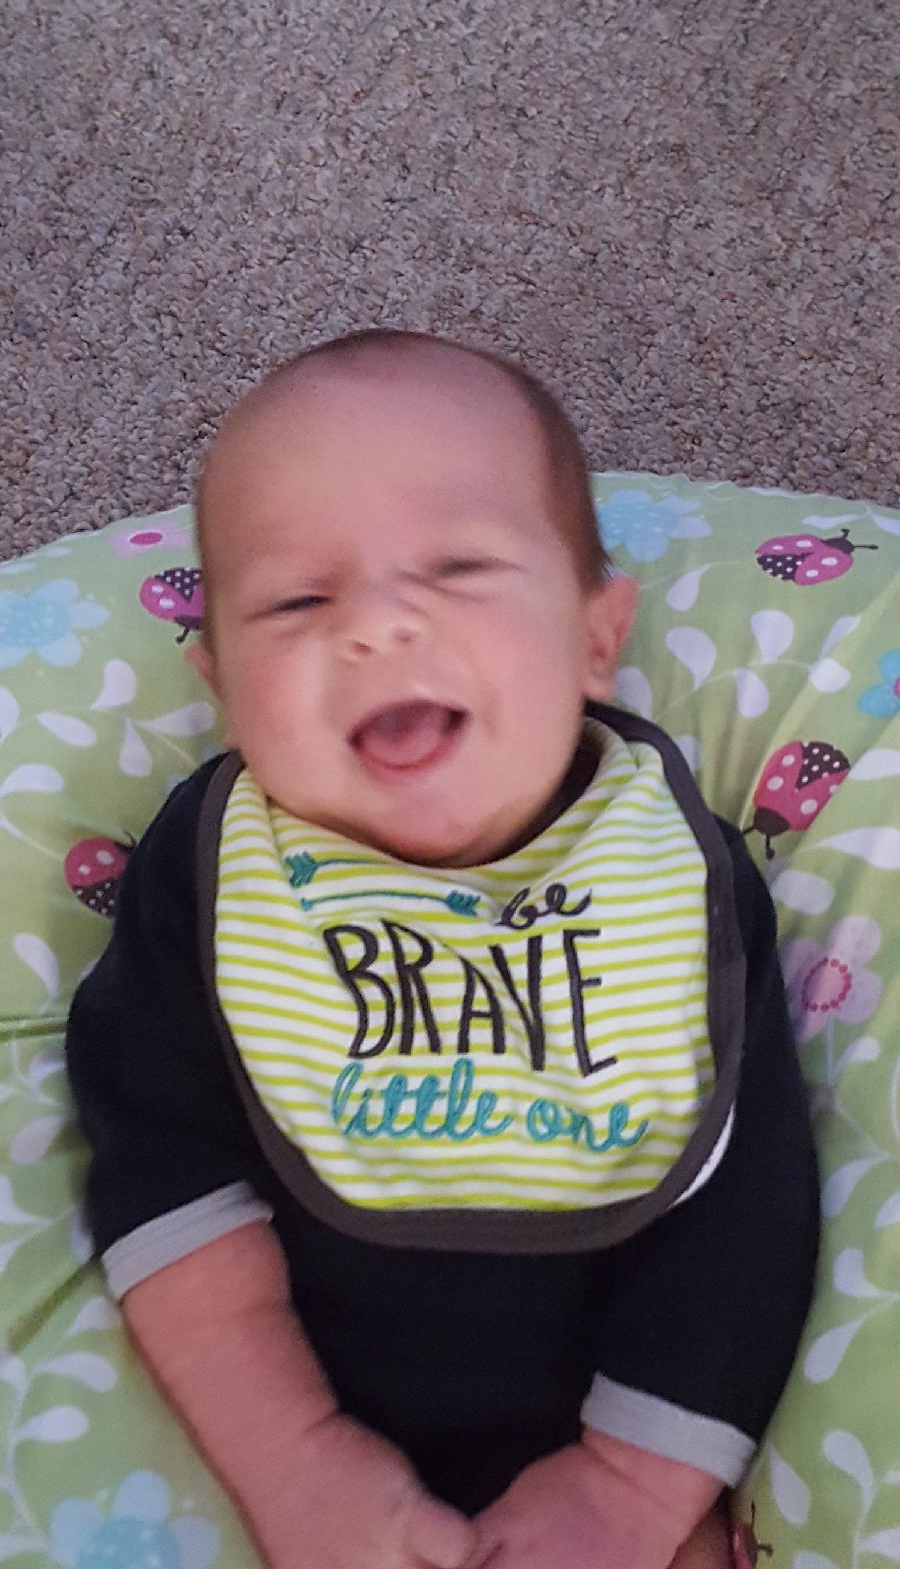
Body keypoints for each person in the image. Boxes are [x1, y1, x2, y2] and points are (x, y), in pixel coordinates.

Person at [66, 329, 819, 1569]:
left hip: (628, 1431)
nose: (377, 623)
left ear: (596, 638)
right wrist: (295, 1460)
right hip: (289, 1442)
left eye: (460, 567)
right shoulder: (209, 872)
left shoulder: (670, 873)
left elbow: (747, 1203)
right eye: (298, 600)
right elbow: (160, 1176)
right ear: (225, 688)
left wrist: (632, 1488)